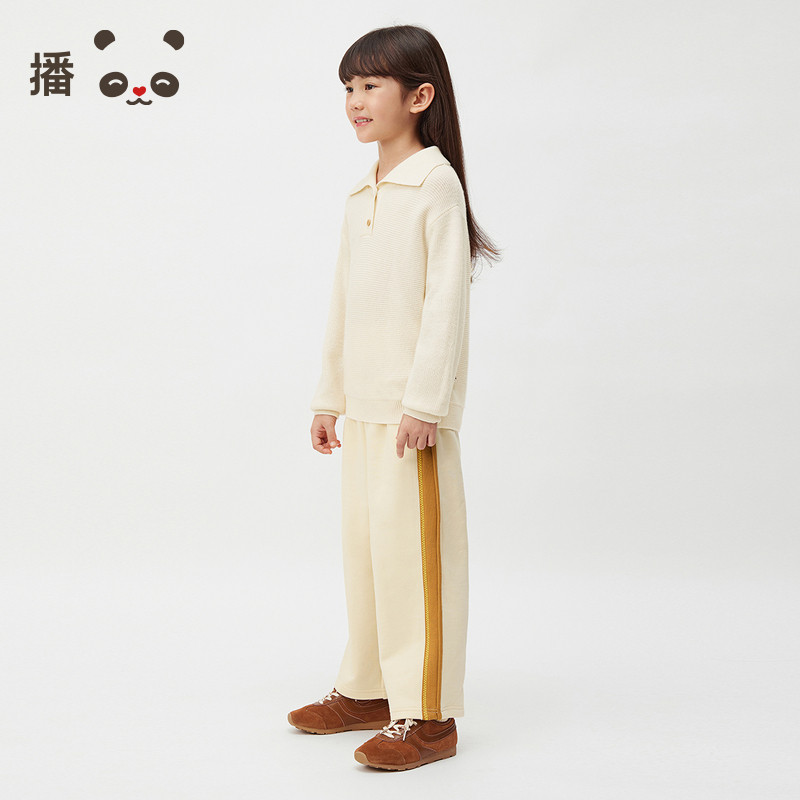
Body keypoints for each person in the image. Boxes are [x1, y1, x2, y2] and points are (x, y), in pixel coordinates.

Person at [287, 23, 500, 771]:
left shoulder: (436, 185)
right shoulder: (362, 194)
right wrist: (329, 397)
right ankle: (369, 690)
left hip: (415, 419)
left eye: (371, 85)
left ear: (419, 96)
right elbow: (344, 302)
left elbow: (446, 304)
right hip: (367, 411)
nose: (355, 99)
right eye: (348, 87)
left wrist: (426, 404)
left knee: (417, 563)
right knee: (369, 557)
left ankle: (429, 716)